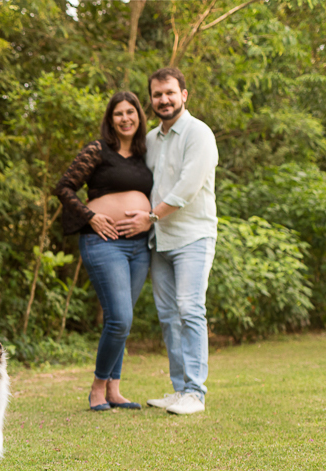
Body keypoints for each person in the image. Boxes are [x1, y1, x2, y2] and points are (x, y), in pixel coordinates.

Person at [116, 67, 218, 415]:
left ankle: (196, 393)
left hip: (192, 237)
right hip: (160, 242)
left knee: (190, 310)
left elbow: (187, 188)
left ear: (184, 95)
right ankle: (180, 389)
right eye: (157, 95)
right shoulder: (154, 140)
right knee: (168, 316)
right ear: (152, 99)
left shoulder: (199, 133)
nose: (164, 100)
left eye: (170, 93)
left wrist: (151, 217)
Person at [53, 91, 153, 412]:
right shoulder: (98, 150)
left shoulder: (144, 154)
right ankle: (98, 387)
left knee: (121, 317)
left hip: (139, 245)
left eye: (131, 112)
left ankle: (115, 389)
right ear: (110, 119)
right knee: (120, 318)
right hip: (103, 242)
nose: (125, 118)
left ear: (139, 116)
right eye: (118, 113)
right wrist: (91, 216)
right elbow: (64, 186)